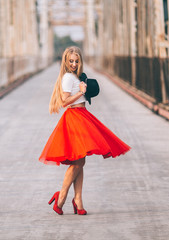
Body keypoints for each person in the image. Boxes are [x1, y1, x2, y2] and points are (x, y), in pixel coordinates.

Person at [39, 46, 131, 215]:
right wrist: (81, 91)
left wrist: (83, 89)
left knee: (79, 161)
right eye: (71, 61)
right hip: (75, 117)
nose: (73, 64)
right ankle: (61, 196)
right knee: (78, 161)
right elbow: (64, 102)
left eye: (76, 61)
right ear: (65, 61)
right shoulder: (67, 77)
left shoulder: (76, 76)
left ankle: (78, 200)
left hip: (82, 115)